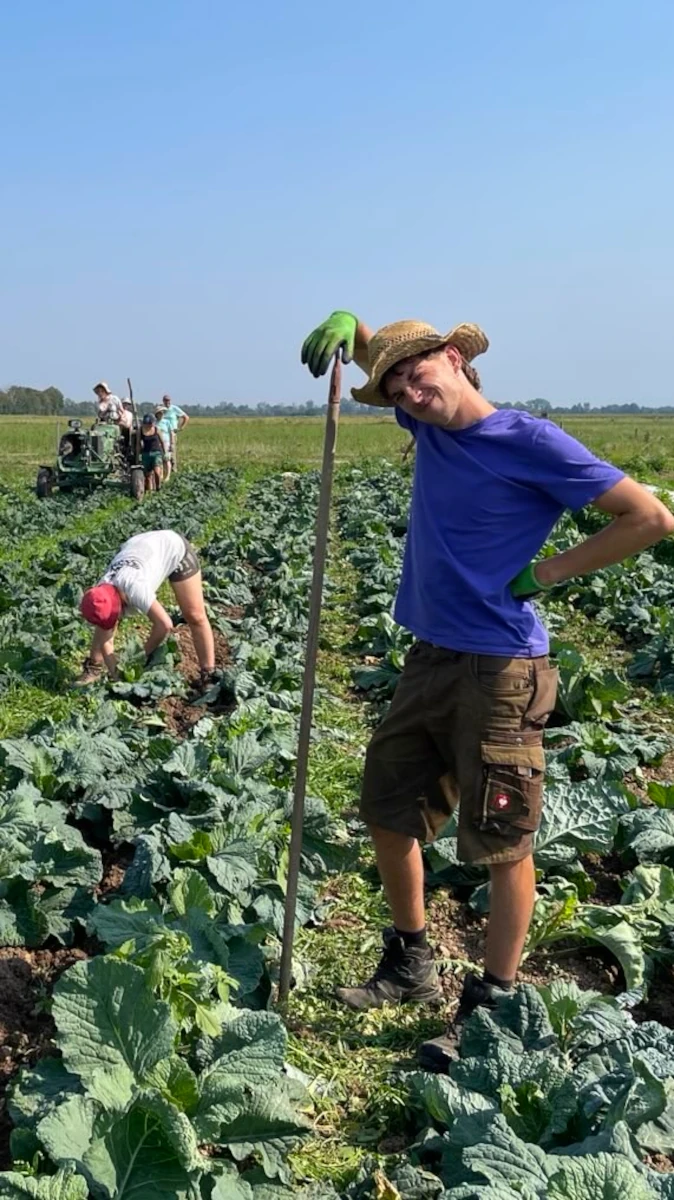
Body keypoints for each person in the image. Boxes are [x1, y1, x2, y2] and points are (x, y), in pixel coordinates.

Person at [300, 310, 674, 1069]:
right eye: (396, 384)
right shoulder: (427, 426)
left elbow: (648, 517)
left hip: (501, 670)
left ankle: (493, 1002)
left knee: (503, 840)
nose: (409, 388)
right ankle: (410, 962)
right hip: (429, 658)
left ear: (456, 359)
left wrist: (546, 573)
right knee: (387, 807)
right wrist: (358, 328)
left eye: (420, 370)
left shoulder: (529, 440)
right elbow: (387, 361)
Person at [76, 530, 217, 689]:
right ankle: (93, 668)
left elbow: (164, 624)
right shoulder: (101, 592)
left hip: (172, 547)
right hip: (138, 546)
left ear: (122, 600)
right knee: (105, 621)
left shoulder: (135, 587)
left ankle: (208, 674)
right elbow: (105, 637)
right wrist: (117, 674)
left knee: (195, 615)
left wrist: (141, 656)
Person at [93, 381, 132, 455]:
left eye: (101, 391)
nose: (100, 393)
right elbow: (99, 415)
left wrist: (120, 418)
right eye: (98, 392)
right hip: (104, 423)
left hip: (117, 421)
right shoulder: (99, 403)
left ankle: (125, 449)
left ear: (105, 391)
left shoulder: (114, 398)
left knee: (125, 427)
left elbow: (121, 411)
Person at [160, 394, 189, 471]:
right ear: (163, 401)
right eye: (165, 400)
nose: (167, 402)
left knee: (172, 449)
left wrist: (181, 427)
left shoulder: (174, 408)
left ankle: (173, 468)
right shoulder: (161, 409)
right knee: (163, 449)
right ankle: (165, 467)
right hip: (163, 433)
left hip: (172, 432)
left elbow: (186, 417)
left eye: (168, 400)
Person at [140, 414, 165, 492]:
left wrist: (165, 452)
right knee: (147, 475)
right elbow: (138, 443)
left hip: (156, 452)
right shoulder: (140, 430)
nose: (150, 425)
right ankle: (149, 491)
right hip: (146, 453)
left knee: (157, 472)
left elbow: (162, 441)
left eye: (151, 423)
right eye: (148, 424)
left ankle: (158, 487)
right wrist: (138, 454)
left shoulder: (157, 429)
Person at [155, 406, 173, 480]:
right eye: (160, 412)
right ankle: (161, 475)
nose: (161, 414)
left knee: (167, 458)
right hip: (157, 442)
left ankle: (167, 476)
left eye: (162, 412)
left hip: (166, 442)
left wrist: (172, 443)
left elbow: (171, 433)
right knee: (160, 459)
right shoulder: (155, 422)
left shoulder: (167, 422)